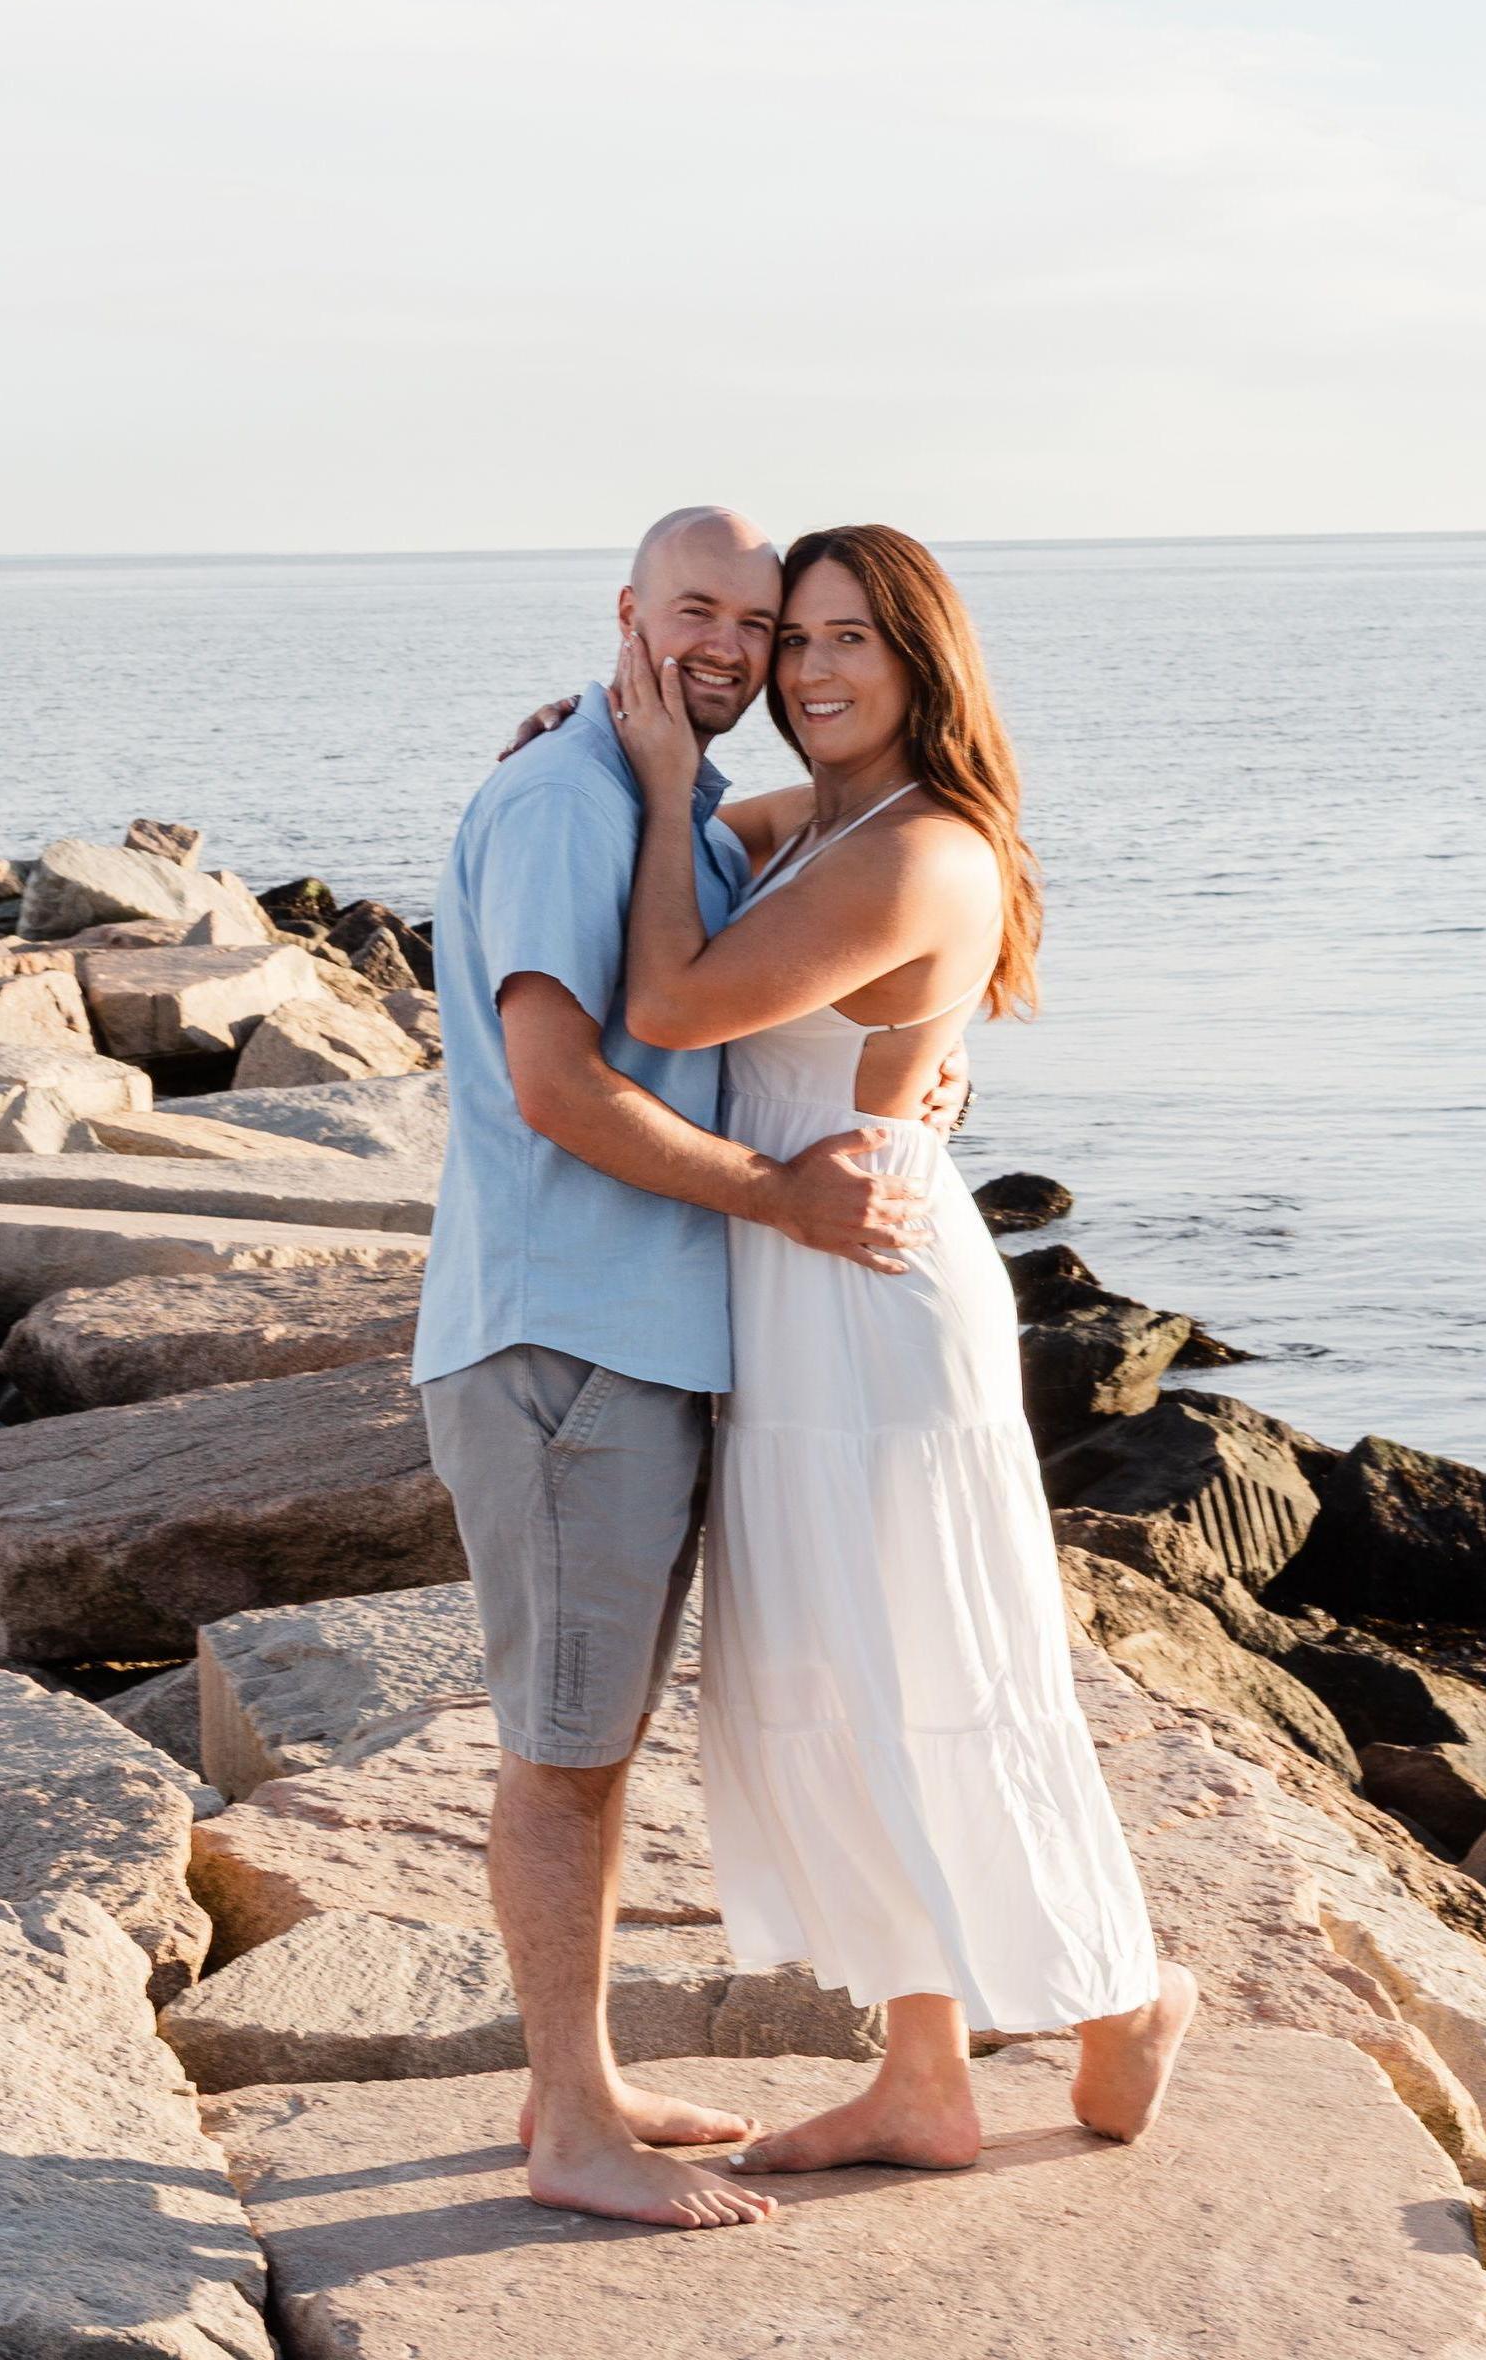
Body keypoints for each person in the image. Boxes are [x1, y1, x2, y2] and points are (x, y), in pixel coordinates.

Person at [598, 521, 1197, 2176]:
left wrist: (660, 777)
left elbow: (668, 1007)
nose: (809, 670)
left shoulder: (917, 846)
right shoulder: (826, 819)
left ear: (922, 658)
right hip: (798, 1273)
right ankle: (923, 2073)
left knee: (928, 1666)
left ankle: (1123, 1990)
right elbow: (722, 835)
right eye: (794, 638)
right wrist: (607, 748)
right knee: (840, 1676)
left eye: (849, 637)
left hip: (867, 1289)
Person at [415, 506, 955, 2233]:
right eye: (699, 611)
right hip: (567, 1340)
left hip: (634, 1334)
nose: (737, 649)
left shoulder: (662, 796)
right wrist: (780, 1197)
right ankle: (573, 2129)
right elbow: (557, 1087)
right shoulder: (574, 802)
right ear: (629, 612)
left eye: (764, 624)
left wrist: (915, 1074)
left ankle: (572, 2079)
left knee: (596, 1737)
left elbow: (879, 904)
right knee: (564, 1749)